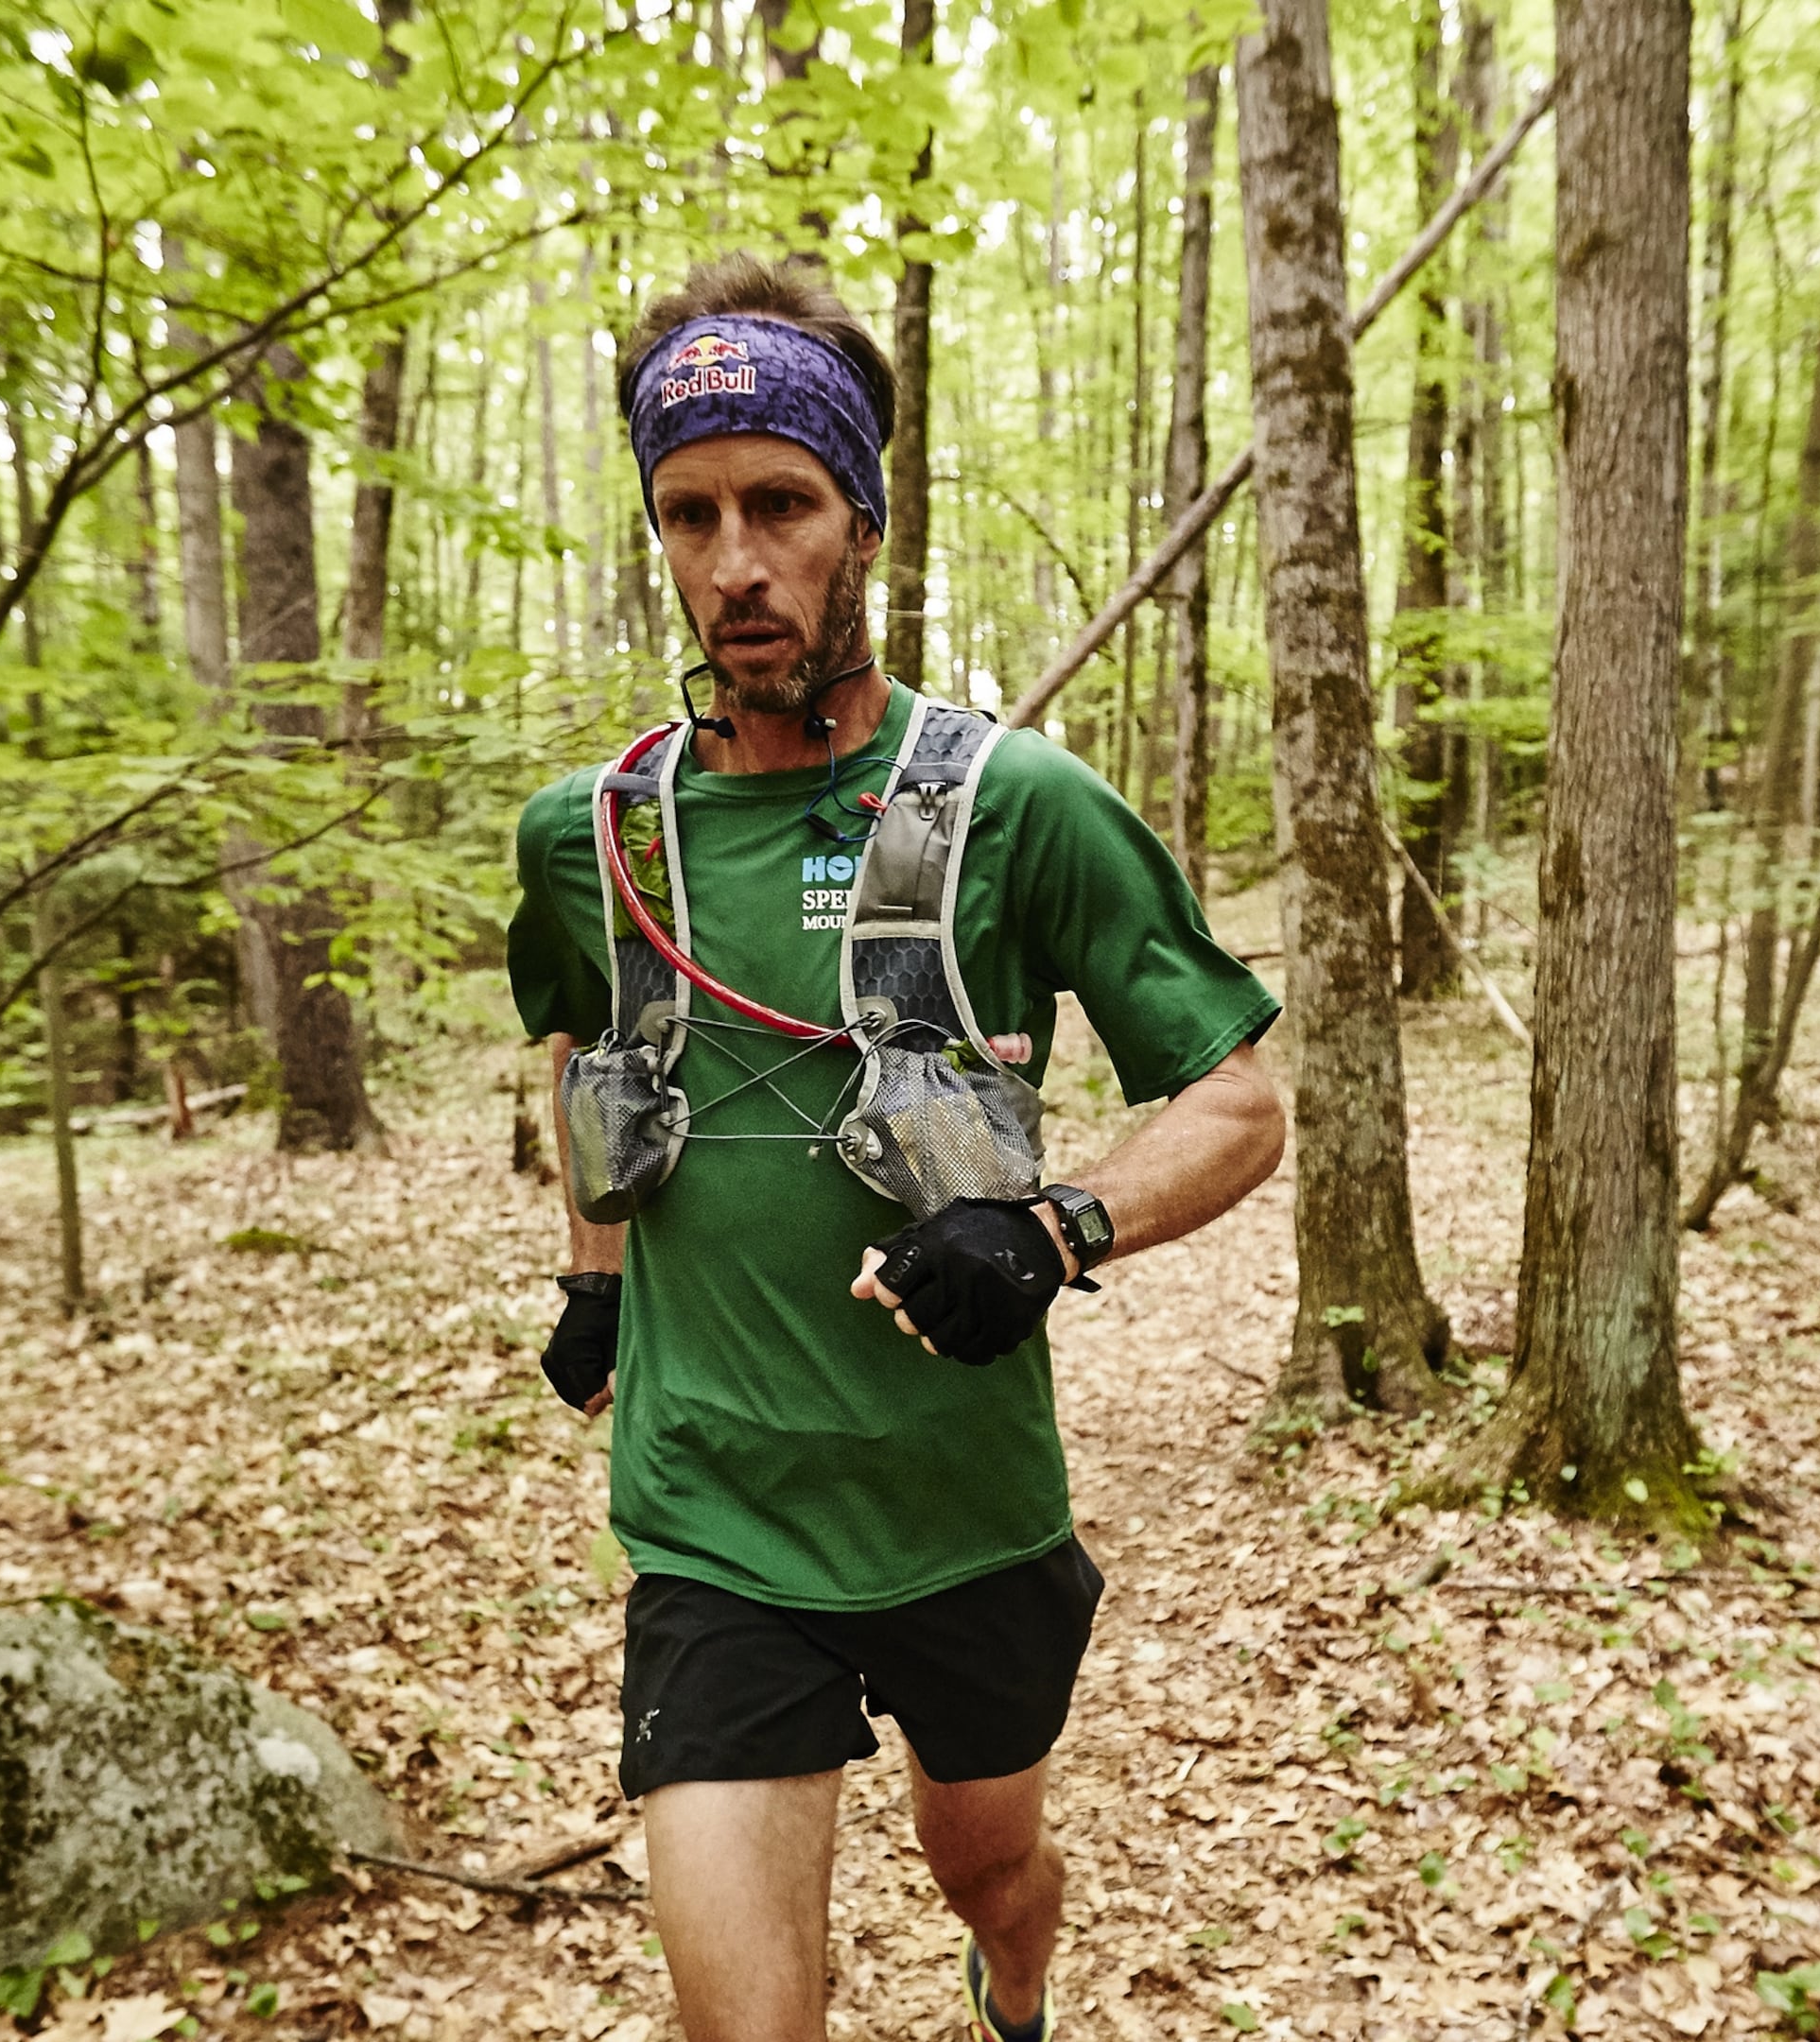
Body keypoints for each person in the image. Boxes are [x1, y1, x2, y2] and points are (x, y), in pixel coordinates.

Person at [505, 251, 1288, 2042]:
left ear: (861, 515)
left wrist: (1058, 1228)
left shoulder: (1017, 805)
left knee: (986, 1864)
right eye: (687, 513)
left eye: (779, 502)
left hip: (965, 1519)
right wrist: (595, 1275)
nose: (733, 563)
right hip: (713, 1523)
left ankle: (1016, 1991)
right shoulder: (594, 838)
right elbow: (590, 1041)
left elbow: (1241, 1103)